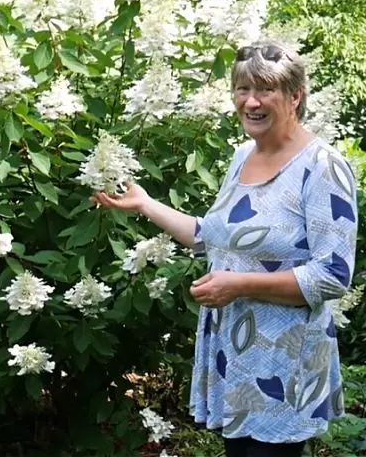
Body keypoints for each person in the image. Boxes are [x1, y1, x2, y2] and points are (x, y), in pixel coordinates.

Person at [91, 43, 358, 457]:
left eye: (265, 90)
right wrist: (145, 204)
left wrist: (237, 285)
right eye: (242, 88)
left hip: (285, 365)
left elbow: (332, 275)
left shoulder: (322, 167)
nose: (251, 101)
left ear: (295, 96)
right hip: (235, 355)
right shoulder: (241, 156)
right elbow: (212, 238)